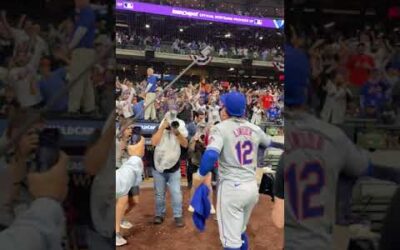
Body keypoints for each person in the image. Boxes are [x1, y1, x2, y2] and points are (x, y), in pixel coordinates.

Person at [282, 40, 400, 250]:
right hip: (318, 243)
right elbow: (369, 168)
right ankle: (343, 218)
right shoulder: (331, 137)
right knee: (346, 171)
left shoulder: (267, 137)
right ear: (307, 87)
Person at [192, 91, 284, 250]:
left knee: (231, 243)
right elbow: (270, 143)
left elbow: (211, 155)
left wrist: (199, 175)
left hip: (231, 190)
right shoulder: (254, 128)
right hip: (251, 189)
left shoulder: (220, 128)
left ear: (225, 110)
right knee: (240, 232)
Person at [151, 109, 188, 227]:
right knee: (159, 194)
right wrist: (163, 128)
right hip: (158, 167)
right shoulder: (159, 127)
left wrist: (176, 132)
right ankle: (159, 214)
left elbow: (185, 144)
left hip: (174, 168)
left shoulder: (179, 127)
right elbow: (153, 143)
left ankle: (178, 215)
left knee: (176, 193)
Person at [68, 0, 96, 114]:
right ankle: (90, 108)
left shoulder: (86, 12)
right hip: (87, 51)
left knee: (76, 80)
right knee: (85, 81)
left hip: (81, 50)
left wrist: (70, 46)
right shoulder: (86, 12)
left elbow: (81, 31)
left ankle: (73, 109)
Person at [115, 136, 145, 246]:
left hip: (125, 176)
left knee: (132, 201)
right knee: (121, 202)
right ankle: (115, 233)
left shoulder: (135, 159)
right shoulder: (117, 139)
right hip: (119, 176)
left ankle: (118, 221)